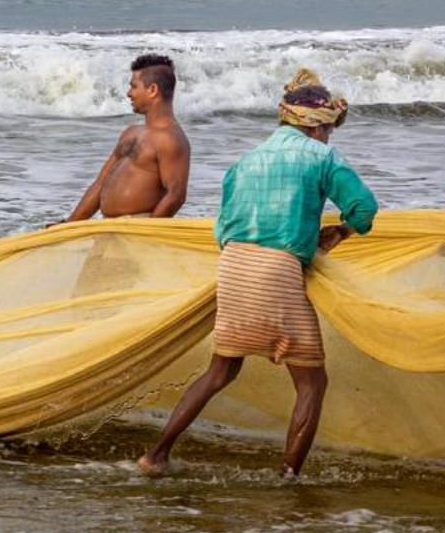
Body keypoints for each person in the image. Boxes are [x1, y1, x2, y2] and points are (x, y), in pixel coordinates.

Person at [139, 69, 378, 477]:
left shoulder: (246, 161)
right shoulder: (322, 157)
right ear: (317, 128)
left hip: (233, 267)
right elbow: (365, 210)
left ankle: (155, 455)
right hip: (277, 271)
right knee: (311, 384)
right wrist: (339, 232)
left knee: (220, 371)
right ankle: (289, 477)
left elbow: (222, 229)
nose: (329, 138)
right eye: (328, 130)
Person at [61, 54, 191, 222]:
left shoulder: (170, 139)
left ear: (152, 90)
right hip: (110, 227)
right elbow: (100, 184)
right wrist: (69, 224)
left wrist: (146, 232)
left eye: (134, 86)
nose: (129, 93)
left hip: (138, 228)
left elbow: (176, 195)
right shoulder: (131, 133)